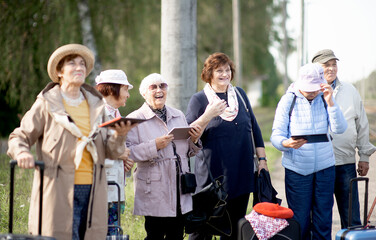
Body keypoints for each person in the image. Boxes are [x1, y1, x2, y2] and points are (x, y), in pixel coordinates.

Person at [7, 44, 132, 240]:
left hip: (93, 190)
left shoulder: (95, 105)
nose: (79, 67)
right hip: (58, 189)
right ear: (59, 72)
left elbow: (111, 151)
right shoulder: (47, 103)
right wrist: (22, 153)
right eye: (72, 64)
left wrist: (120, 135)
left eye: (82, 64)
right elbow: (19, 136)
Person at [185, 52, 268, 240]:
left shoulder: (240, 95)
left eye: (227, 70)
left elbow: (254, 129)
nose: (225, 74)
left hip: (241, 174)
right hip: (212, 179)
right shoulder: (199, 99)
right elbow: (189, 137)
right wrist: (208, 114)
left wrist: (262, 160)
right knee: (202, 230)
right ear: (209, 74)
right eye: (219, 71)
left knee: (234, 228)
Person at [271, 63, 347, 239]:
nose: (312, 92)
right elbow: (276, 135)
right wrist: (286, 143)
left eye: (315, 88)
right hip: (298, 170)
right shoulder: (288, 100)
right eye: (308, 89)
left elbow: (339, 129)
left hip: (325, 169)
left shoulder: (325, 98)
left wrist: (331, 103)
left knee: (323, 219)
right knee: (300, 220)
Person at [125, 73, 202, 240]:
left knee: (177, 234)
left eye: (162, 86)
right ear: (144, 93)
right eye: (153, 87)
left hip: (179, 186)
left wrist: (194, 140)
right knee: (155, 235)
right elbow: (129, 152)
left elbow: (188, 152)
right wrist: (155, 145)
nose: (159, 90)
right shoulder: (135, 118)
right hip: (154, 187)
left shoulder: (178, 115)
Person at [312, 49, 376, 228]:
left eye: (334, 64)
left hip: (345, 164)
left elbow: (362, 124)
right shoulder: (308, 90)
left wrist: (364, 156)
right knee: (319, 217)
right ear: (316, 68)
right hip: (317, 165)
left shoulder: (350, 91)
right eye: (326, 65)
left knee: (351, 218)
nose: (331, 68)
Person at [95, 69, 135, 236]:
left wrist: (125, 159)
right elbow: (92, 145)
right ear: (113, 89)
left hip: (115, 187)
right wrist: (120, 154)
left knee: (113, 232)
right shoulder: (97, 113)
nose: (128, 95)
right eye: (126, 89)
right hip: (101, 186)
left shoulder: (116, 114)